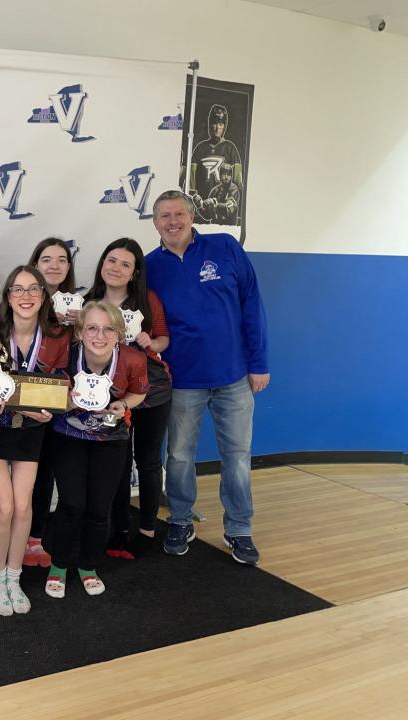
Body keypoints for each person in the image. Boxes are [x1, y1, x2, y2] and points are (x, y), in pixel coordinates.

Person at [145, 190, 269, 565]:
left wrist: (259, 361)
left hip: (234, 376)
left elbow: (252, 303)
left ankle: (239, 529)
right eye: (164, 216)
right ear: (155, 223)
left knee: (237, 457)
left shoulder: (226, 247)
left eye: (179, 214)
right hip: (182, 380)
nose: (172, 222)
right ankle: (181, 521)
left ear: (192, 215)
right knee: (179, 456)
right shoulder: (150, 266)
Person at [0, 265, 69, 615]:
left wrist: (49, 411)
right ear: (8, 296)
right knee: (5, 506)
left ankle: (14, 576)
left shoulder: (57, 336)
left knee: (24, 506)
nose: (25, 296)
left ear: (43, 296)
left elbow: (63, 387)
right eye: (18, 289)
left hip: (31, 430)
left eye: (33, 290)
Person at [43, 301, 147, 598]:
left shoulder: (132, 359)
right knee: (71, 504)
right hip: (68, 436)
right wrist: (66, 402)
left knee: (100, 508)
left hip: (111, 441)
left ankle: (88, 565)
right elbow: (46, 393)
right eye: (92, 327)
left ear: (119, 334)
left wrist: (124, 403)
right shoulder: (65, 356)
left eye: (108, 329)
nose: (99, 336)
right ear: (79, 331)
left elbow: (139, 392)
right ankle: (59, 564)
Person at [84, 239, 172, 559]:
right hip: (109, 392)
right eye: (111, 261)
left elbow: (163, 340)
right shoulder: (89, 301)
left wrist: (152, 341)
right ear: (102, 264)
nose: (116, 268)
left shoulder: (147, 300)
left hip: (151, 389)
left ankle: (147, 528)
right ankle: (119, 528)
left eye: (125, 264)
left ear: (134, 273)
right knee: (116, 464)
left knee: (148, 461)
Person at [23, 237, 79, 567]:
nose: (54, 265)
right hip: (33, 402)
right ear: (35, 264)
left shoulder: (80, 308)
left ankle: (43, 537)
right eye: (46, 259)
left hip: (70, 404)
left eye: (61, 259)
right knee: (33, 476)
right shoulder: (24, 304)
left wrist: (79, 326)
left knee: (55, 475)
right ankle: (27, 536)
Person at [189, 104, 244, 224]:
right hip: (201, 213)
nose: (216, 127)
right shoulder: (200, 148)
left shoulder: (230, 148)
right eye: (214, 123)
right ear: (209, 125)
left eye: (220, 124)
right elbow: (191, 179)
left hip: (223, 216)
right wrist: (195, 198)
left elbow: (238, 183)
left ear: (224, 126)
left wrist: (228, 204)